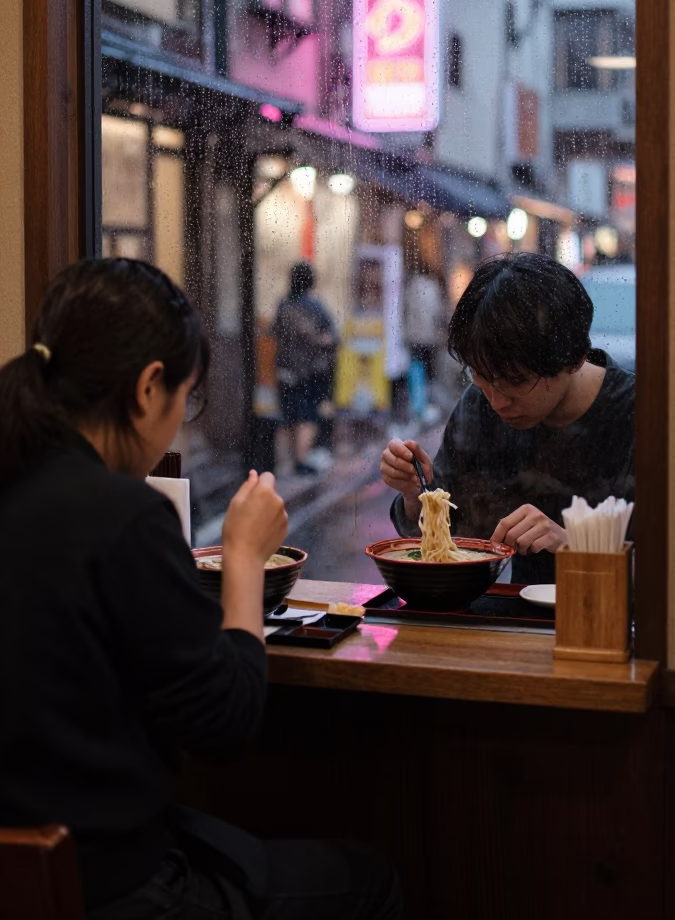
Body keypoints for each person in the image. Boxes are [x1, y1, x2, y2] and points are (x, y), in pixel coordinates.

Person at [0, 258, 401, 920]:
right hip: (109, 890)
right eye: (188, 397)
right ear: (149, 387)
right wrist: (244, 557)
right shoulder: (120, 516)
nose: (182, 419)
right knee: (365, 880)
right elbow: (226, 721)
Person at [380, 253, 634, 585]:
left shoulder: (639, 415)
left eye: (515, 382)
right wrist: (416, 494)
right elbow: (452, 535)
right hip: (511, 623)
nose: (498, 402)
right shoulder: (479, 406)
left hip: (611, 627)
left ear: (573, 359)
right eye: (482, 377)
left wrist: (576, 547)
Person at [273, 262, 338, 476]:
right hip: (310, 371)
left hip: (284, 368)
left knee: (290, 415)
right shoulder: (314, 306)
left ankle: (292, 459)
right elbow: (332, 336)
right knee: (308, 415)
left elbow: (274, 331)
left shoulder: (283, 305)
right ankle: (301, 461)